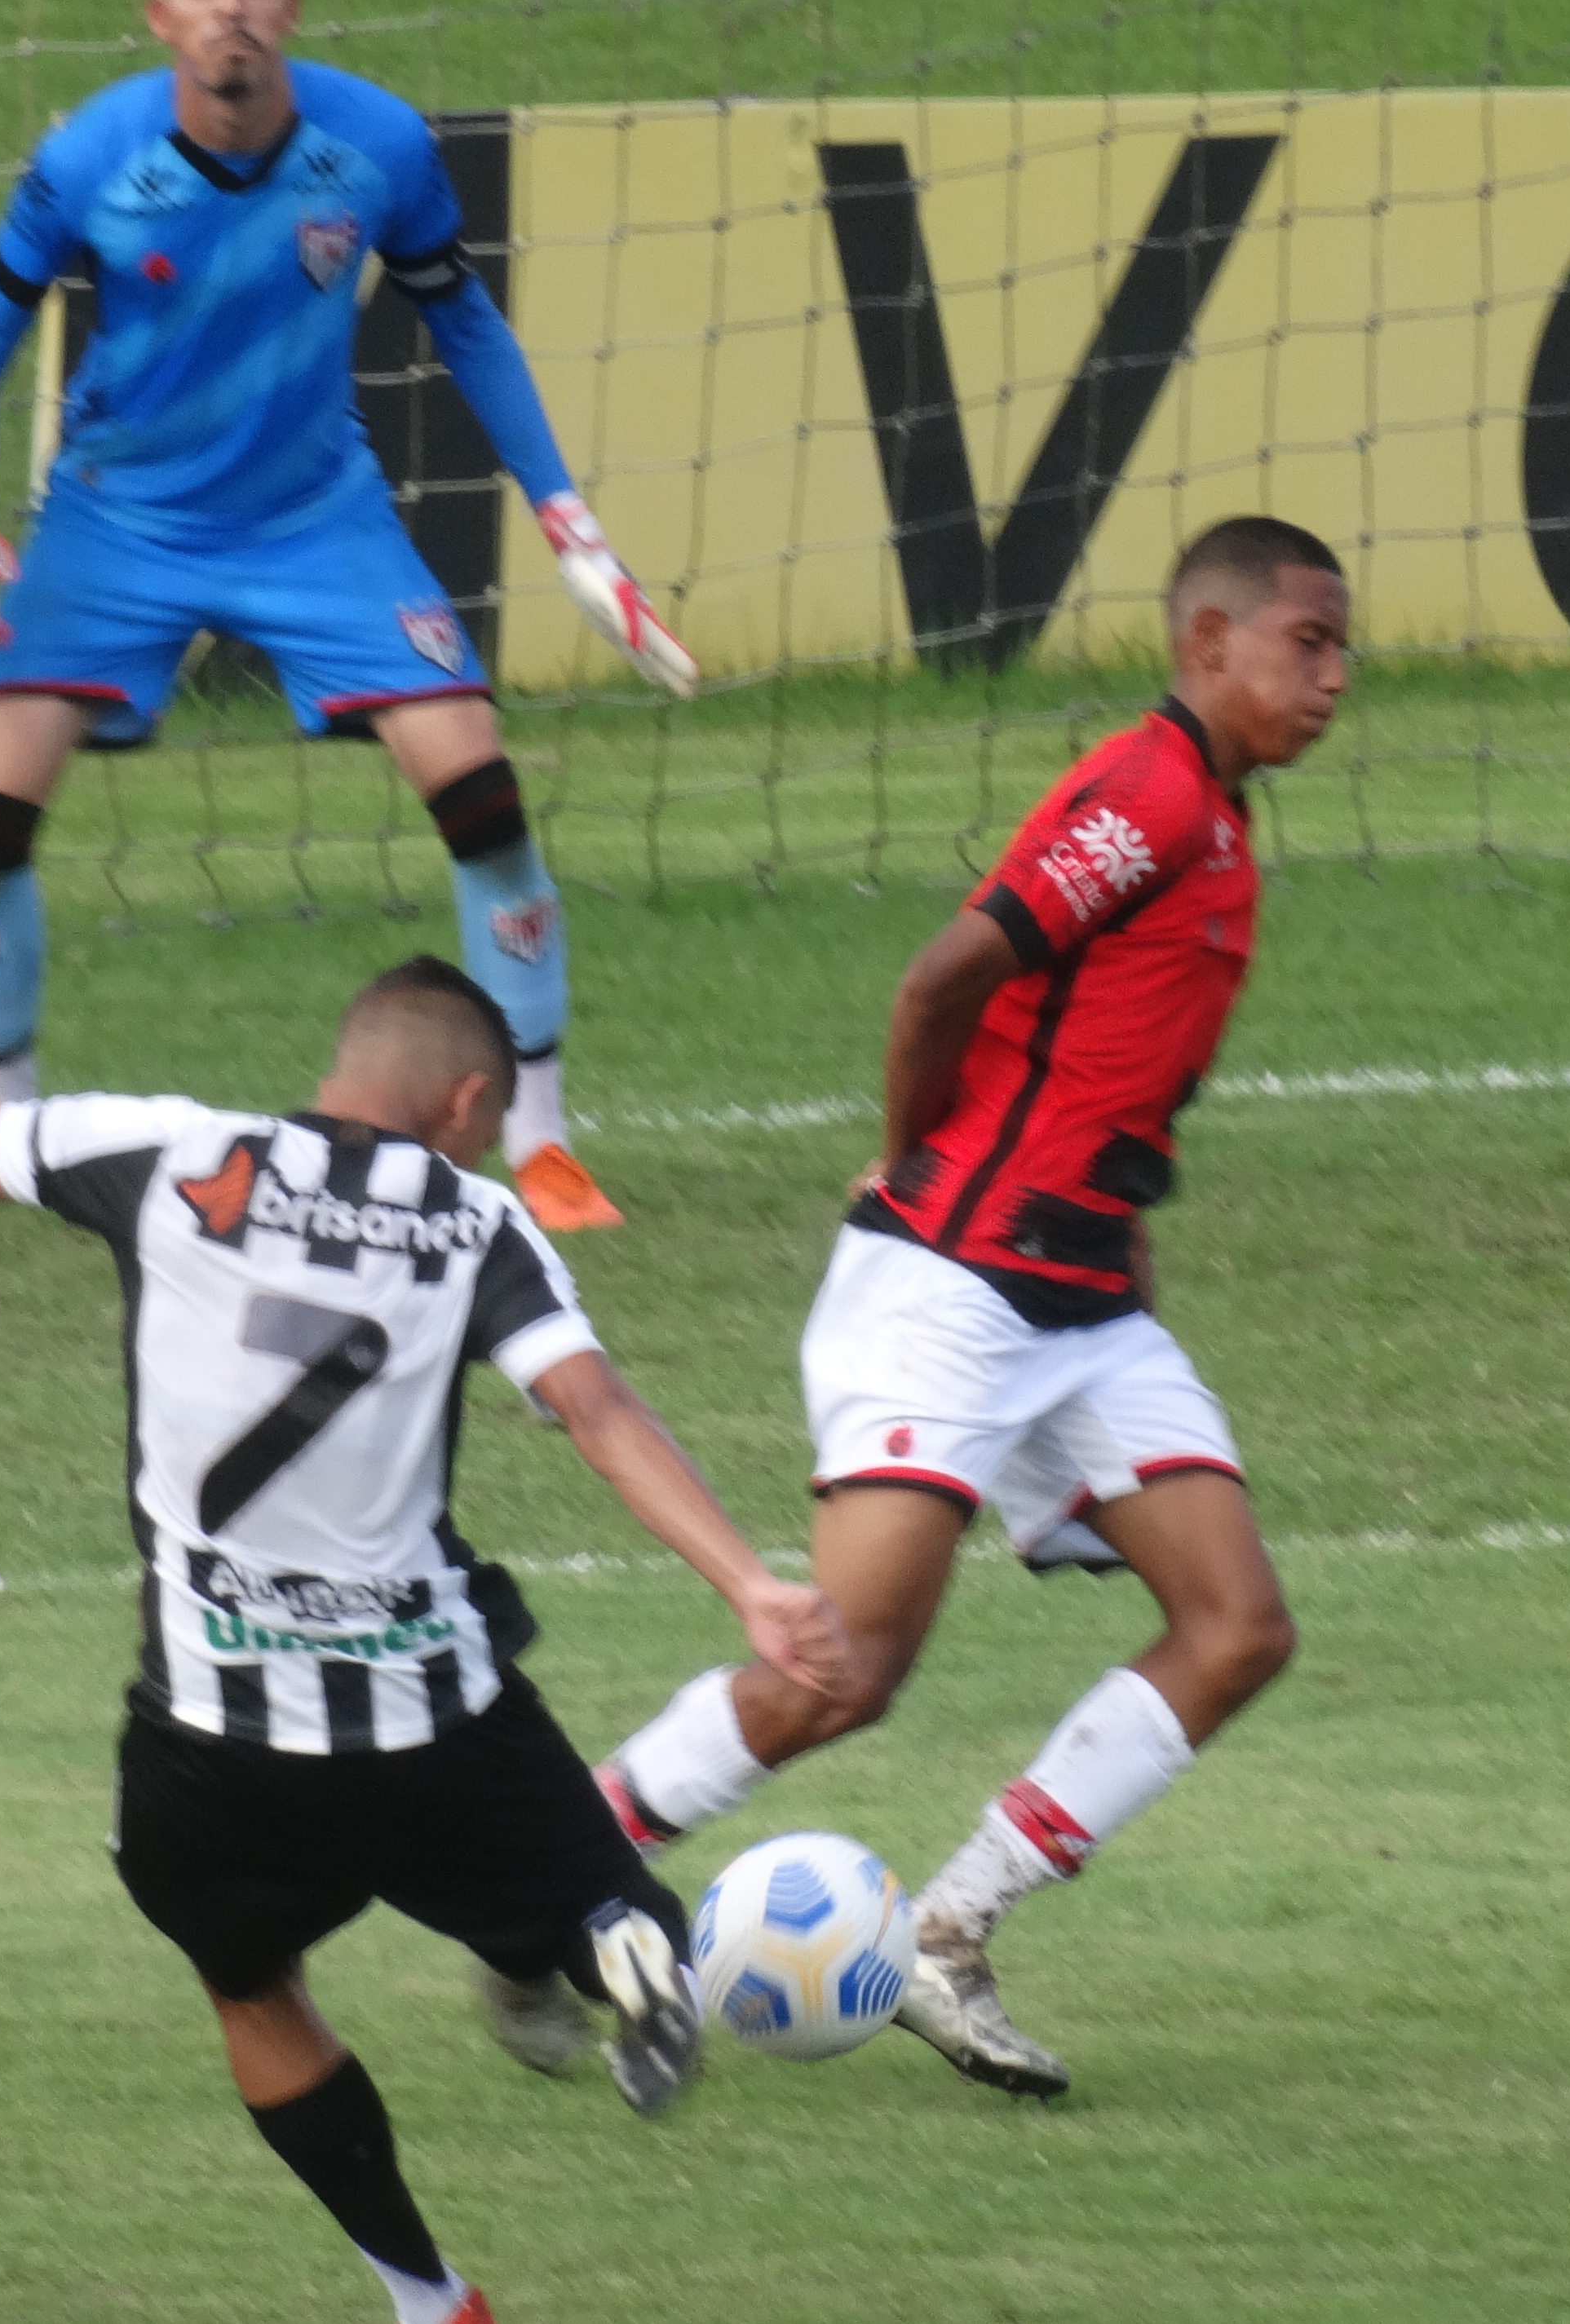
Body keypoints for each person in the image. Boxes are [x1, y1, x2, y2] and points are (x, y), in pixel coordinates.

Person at [0, 958, 844, 2324]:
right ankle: (602, 1937)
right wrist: (751, 1584)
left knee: (253, 1985)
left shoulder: (161, 1151)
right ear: (466, 1103)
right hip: (430, 1720)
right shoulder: (478, 1222)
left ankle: (425, 2294)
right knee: (589, 1864)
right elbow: (598, 1410)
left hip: (211, 1738)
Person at [583, 517, 1351, 2097]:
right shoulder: (1143, 795)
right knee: (842, 1674)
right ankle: (557, 1879)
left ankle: (946, 1933)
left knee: (1237, 1626)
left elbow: (1103, 1068)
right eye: (1308, 644)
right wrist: (903, 1165)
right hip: (949, 1293)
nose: (1334, 679)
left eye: (1343, 652)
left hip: (1079, 1307)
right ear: (1208, 643)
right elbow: (941, 980)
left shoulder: (1217, 816)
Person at [0, 0, 697, 1237]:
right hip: (115, 521)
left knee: (480, 792)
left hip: (317, 518)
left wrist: (570, 524)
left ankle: (542, 1146)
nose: (230, 8)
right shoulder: (94, 154)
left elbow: (466, 322)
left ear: (291, 7)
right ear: (162, 15)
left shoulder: (377, 143)